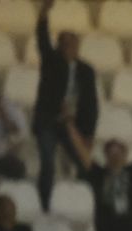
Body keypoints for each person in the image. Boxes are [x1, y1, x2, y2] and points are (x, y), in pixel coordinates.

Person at [33, 0, 99, 212]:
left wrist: (88, 133)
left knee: (84, 162)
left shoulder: (86, 70)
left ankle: (85, 202)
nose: (70, 48)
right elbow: (42, 39)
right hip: (49, 122)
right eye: (66, 43)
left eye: (73, 43)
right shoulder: (51, 61)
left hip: (73, 124)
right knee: (48, 163)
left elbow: (90, 103)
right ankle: (45, 204)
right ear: (59, 45)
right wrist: (44, 13)